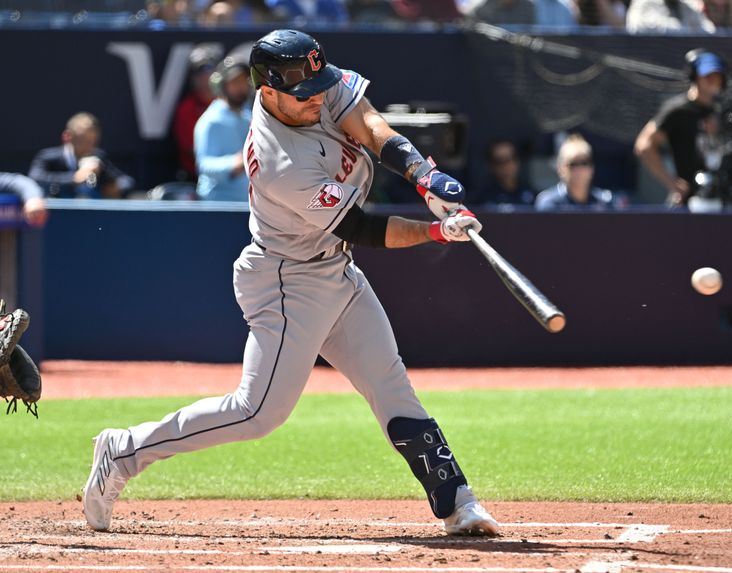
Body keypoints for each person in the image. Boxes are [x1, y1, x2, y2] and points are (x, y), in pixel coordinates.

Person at [82, 29, 499, 538]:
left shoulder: (312, 84)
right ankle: (123, 452)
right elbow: (362, 229)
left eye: (320, 85)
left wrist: (421, 174)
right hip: (287, 280)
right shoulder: (279, 161)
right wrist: (435, 230)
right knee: (256, 413)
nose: (318, 98)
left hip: (334, 269)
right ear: (268, 92)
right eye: (305, 94)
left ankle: (459, 503)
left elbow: (368, 123)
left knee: (392, 387)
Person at [634, 49, 728, 207]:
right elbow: (643, 146)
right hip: (690, 202)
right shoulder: (678, 111)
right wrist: (672, 182)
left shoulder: (724, 111)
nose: (713, 80)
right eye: (708, 75)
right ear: (695, 77)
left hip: (725, 200)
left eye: (717, 76)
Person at [28, 113, 135, 199]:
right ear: (67, 137)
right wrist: (75, 178)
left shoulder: (98, 158)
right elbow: (35, 178)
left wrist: (114, 188)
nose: (89, 147)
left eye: (93, 142)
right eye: (83, 141)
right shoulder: (48, 157)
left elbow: (126, 181)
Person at [194, 55, 253, 201]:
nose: (241, 87)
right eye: (235, 82)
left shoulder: (249, 117)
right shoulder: (211, 121)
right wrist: (236, 162)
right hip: (219, 207)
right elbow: (204, 165)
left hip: (249, 205)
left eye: (244, 82)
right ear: (221, 85)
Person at [173, 43, 224, 180]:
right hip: (195, 179)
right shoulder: (186, 109)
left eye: (210, 74)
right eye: (200, 75)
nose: (205, 80)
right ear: (193, 79)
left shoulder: (230, 106)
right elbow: (194, 151)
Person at [535, 134, 619, 210]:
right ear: (560, 169)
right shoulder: (549, 203)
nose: (579, 170)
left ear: (592, 168)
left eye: (584, 163)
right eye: (573, 164)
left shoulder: (605, 202)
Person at [478, 140, 536, 205]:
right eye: (500, 161)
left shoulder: (531, 193)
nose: (507, 165)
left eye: (511, 158)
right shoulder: (481, 198)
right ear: (490, 166)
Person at [626, 0, 715, 32]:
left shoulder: (687, 4)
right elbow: (640, 28)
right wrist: (687, 29)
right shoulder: (644, 3)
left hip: (680, 61)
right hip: (649, 62)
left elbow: (710, 31)